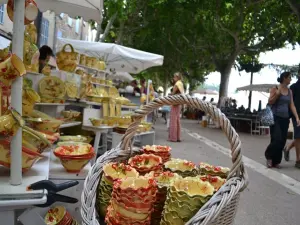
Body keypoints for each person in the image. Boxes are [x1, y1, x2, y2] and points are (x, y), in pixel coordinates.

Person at [265, 72, 300, 168]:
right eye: (289, 77)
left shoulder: (289, 91)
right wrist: (277, 94)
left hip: (285, 119)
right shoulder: (275, 88)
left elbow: (291, 105)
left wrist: (296, 117)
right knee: (276, 139)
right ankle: (269, 157)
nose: (291, 79)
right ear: (284, 78)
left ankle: (276, 162)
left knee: (282, 141)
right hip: (275, 118)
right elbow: (270, 101)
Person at [284, 69, 300, 168]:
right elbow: (290, 103)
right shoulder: (294, 87)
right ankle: (298, 160)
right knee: (298, 136)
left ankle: (287, 148)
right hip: (297, 114)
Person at [168, 72, 184, 142]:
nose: (173, 78)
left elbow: (173, 93)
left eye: (174, 77)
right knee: (177, 121)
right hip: (179, 103)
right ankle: (178, 137)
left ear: (177, 77)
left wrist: (170, 94)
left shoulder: (177, 84)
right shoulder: (181, 83)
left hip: (174, 103)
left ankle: (173, 137)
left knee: (173, 121)